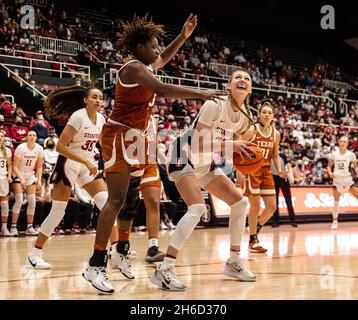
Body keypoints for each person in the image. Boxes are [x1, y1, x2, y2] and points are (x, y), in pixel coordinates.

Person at [83, 13, 225, 294]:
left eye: (159, 46)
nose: (158, 50)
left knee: (128, 199)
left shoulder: (144, 66)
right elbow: (161, 88)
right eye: (153, 46)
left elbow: (162, 62)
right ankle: (95, 264)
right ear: (139, 48)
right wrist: (200, 93)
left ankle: (120, 250)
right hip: (119, 136)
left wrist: (182, 37)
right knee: (115, 199)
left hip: (136, 138)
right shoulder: (134, 69)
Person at [151, 67, 258, 292]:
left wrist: (241, 163)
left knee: (241, 203)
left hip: (205, 163)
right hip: (183, 154)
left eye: (247, 78)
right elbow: (197, 143)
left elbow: (238, 145)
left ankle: (233, 261)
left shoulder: (243, 117)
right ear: (229, 86)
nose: (242, 80)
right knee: (197, 208)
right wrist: (231, 146)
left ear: (250, 89)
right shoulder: (215, 104)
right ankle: (165, 268)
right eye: (237, 77)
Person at [26, 86, 108, 269]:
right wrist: (86, 162)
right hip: (68, 164)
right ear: (86, 100)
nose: (98, 100)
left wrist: (113, 159)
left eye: (100, 97)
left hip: (87, 164)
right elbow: (61, 147)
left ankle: (118, 251)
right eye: (94, 97)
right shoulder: (78, 116)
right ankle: (34, 254)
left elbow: (102, 143)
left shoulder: (101, 119)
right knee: (57, 212)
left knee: (107, 203)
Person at [243, 100, 286, 253]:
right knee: (255, 206)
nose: (266, 115)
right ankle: (253, 240)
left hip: (267, 170)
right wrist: (240, 172)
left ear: (273, 116)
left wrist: (280, 170)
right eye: (264, 112)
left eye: (269, 112)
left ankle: (255, 227)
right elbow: (240, 149)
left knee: (271, 207)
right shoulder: (252, 130)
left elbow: (275, 155)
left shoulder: (276, 133)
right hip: (252, 170)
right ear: (259, 114)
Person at [11, 131, 43, 236]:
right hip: (18, 173)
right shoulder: (21, 148)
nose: (32, 137)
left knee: (32, 201)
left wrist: (38, 179)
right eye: (30, 135)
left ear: (36, 137)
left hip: (30, 175)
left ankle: (29, 227)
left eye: (34, 135)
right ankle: (13, 227)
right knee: (19, 200)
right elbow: (14, 166)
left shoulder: (39, 148)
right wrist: (21, 179)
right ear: (26, 137)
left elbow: (39, 167)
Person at [327, 136, 358, 230]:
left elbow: (355, 166)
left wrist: (357, 171)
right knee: (336, 202)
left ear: (347, 143)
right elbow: (328, 166)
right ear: (338, 142)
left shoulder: (351, 155)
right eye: (341, 141)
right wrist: (330, 173)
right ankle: (335, 221)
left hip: (347, 179)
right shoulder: (334, 154)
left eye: (344, 141)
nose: (342, 143)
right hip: (337, 179)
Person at [271, 151, 297, 228]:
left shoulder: (282, 156)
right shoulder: (269, 156)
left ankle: (293, 220)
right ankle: (275, 221)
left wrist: (291, 176)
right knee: (275, 201)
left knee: (288, 199)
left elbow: (288, 166)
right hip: (273, 179)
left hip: (284, 178)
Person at [0, 132, 13, 236]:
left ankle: (4, 227)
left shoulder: (7, 151)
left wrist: (9, 176)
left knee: (4, 204)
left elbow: (10, 165)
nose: (0, 138)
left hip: (3, 178)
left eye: (2, 136)